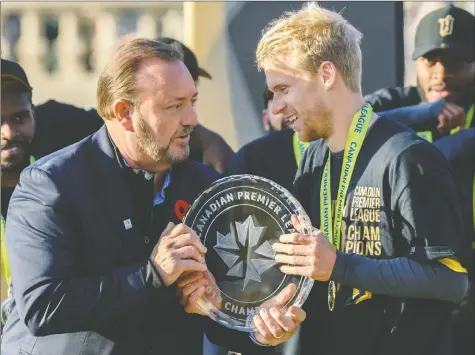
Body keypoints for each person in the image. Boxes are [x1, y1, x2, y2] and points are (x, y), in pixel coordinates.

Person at [197, 3, 470, 355]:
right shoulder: (314, 157)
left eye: (283, 88)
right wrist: (269, 321)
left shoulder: (407, 157)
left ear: (327, 75)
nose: (276, 108)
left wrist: (340, 265)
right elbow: (307, 272)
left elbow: (450, 280)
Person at [2, 39, 220, 354]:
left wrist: (255, 323)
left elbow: (227, 309)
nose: (192, 119)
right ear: (124, 113)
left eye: (192, 101)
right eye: (174, 106)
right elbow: (43, 306)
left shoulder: (206, 187)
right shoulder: (51, 185)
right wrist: (153, 274)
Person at [365, 4, 474, 142]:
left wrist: (461, 142)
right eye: (430, 62)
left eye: (457, 63)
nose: (441, 75)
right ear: (417, 63)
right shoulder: (394, 102)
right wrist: (419, 114)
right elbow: (343, 125)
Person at [225, 87, 309, 192]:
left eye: (292, 95)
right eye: (275, 98)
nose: (288, 108)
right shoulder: (247, 162)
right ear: (265, 119)